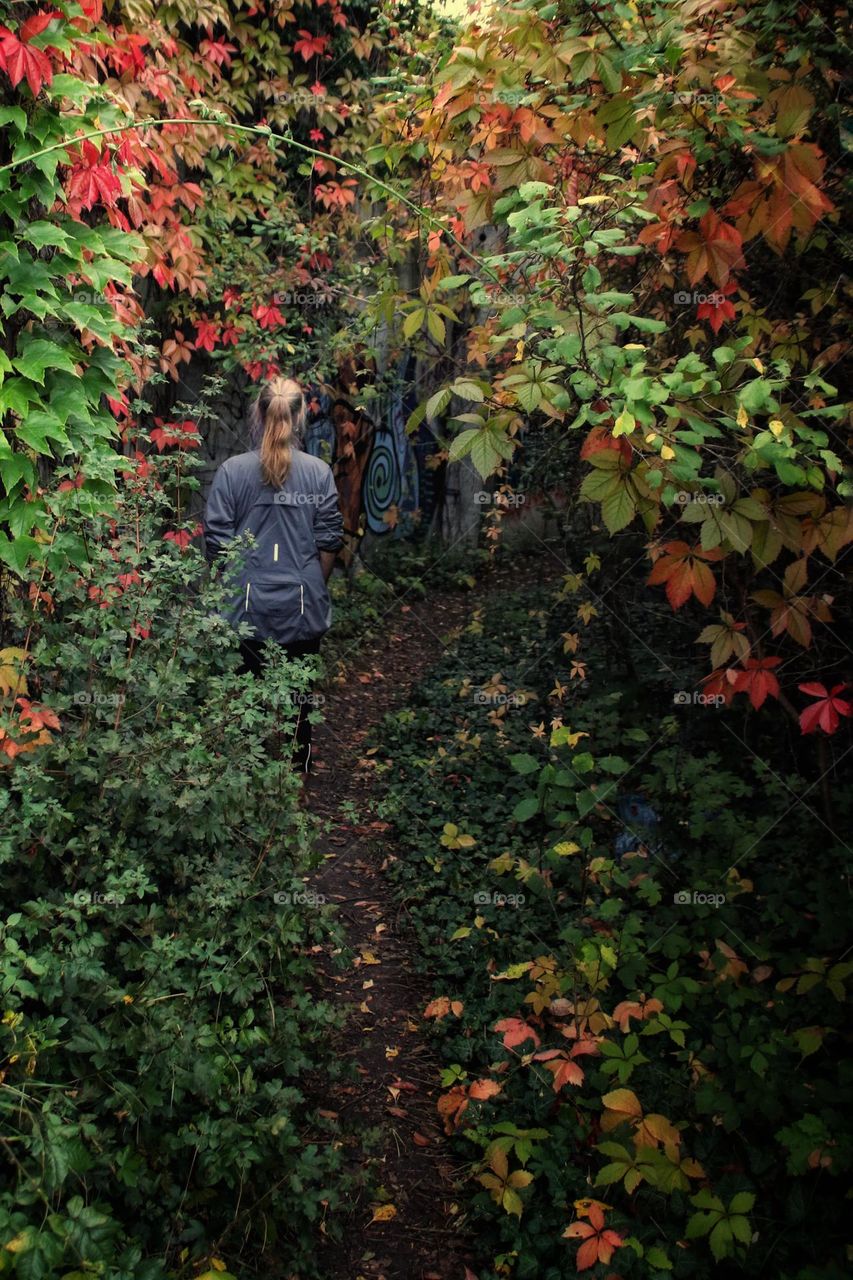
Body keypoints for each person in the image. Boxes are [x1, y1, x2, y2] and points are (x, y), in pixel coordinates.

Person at [203, 376, 343, 772]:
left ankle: (247, 775)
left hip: (246, 608)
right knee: (301, 696)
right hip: (301, 606)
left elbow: (217, 545)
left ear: (259, 414)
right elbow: (330, 541)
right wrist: (313, 582)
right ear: (300, 418)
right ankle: (296, 775)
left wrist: (224, 592)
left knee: (246, 694)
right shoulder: (318, 473)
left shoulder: (232, 471)